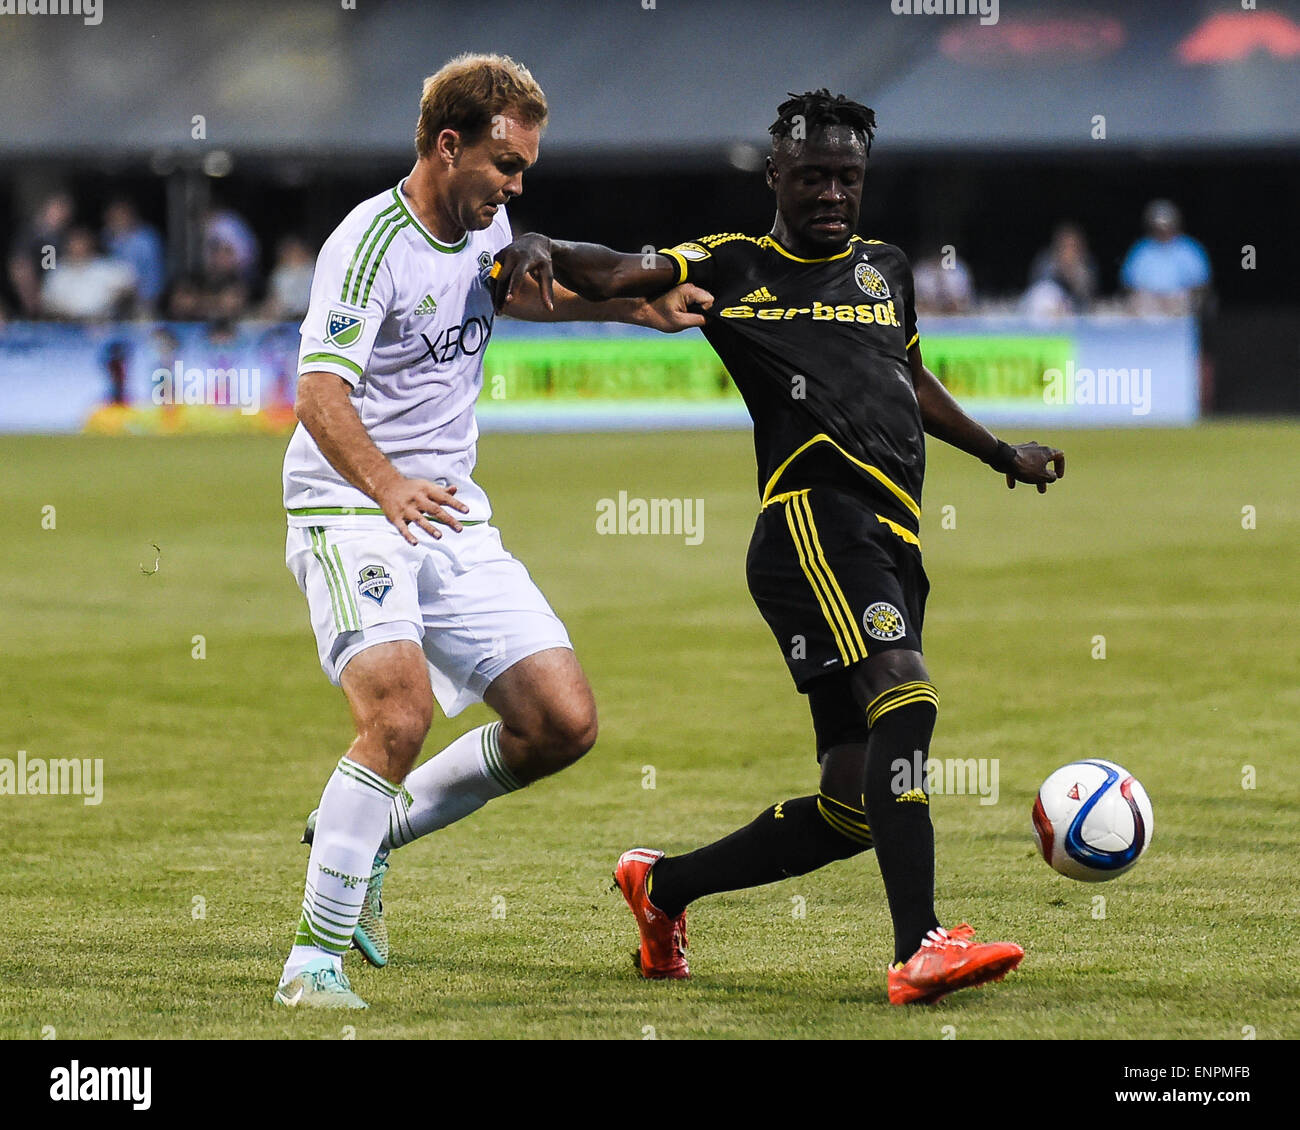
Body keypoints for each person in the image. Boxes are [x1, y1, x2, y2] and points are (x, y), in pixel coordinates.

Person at [492, 89, 1066, 1005]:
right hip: (814, 517)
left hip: (892, 534)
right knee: (905, 699)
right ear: (775, 176)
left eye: (848, 176)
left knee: (851, 804)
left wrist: (1002, 453)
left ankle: (662, 887)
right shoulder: (735, 264)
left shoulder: (886, 268)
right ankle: (920, 944)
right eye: (813, 177)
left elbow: (906, 374)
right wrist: (543, 248)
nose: (834, 192)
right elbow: (618, 272)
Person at [274, 53, 707, 1010]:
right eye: (506, 167)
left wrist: (642, 308)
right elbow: (316, 394)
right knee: (395, 717)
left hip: (449, 513)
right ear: (448, 144)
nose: (517, 188)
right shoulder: (367, 243)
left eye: (525, 173)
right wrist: (385, 485)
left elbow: (510, 293)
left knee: (561, 722)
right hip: (352, 507)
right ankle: (313, 962)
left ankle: (366, 831)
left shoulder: (486, 226)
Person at [1120, 200, 1211, 316]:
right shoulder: (1141, 250)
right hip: (1148, 304)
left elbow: (1201, 284)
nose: (1163, 231)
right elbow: (1129, 284)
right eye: (1158, 227)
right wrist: (1155, 299)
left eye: (1167, 226)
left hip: (1180, 302)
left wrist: (1174, 298)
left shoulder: (1190, 249)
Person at [40, 226, 136, 321]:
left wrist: (114, 300)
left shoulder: (106, 268)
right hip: (67, 325)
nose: (78, 247)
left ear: (90, 244)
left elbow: (130, 285)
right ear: (67, 245)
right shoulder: (57, 273)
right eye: (75, 243)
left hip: (103, 325)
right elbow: (47, 301)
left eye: (82, 243)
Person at [7, 190, 74, 318]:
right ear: (48, 209)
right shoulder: (31, 234)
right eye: (60, 209)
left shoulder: (61, 236)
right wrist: (31, 297)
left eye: (66, 211)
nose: (64, 215)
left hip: (56, 297)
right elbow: (20, 267)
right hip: (31, 298)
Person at [103, 199, 166, 315]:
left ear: (131, 215)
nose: (117, 220)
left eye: (121, 215)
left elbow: (154, 273)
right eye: (113, 216)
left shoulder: (146, 239)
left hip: (142, 301)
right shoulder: (106, 238)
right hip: (111, 303)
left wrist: (147, 299)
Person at [1024, 222, 1097, 316]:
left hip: (1075, 315)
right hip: (1045, 315)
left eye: (1073, 246)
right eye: (1066, 245)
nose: (1069, 250)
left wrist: (1071, 275)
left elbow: (1088, 297)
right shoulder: (1046, 263)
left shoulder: (1086, 265)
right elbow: (1037, 292)